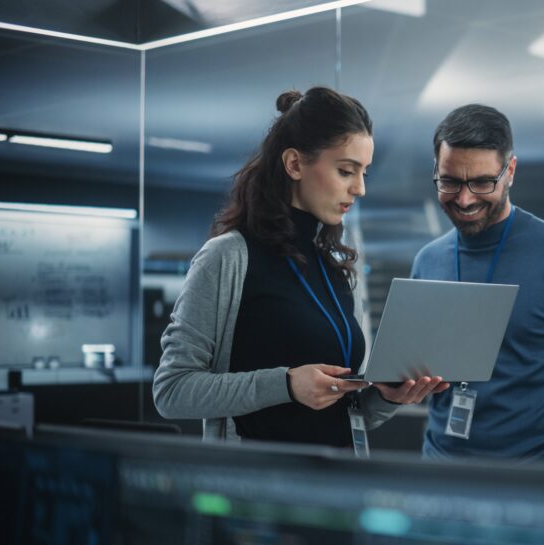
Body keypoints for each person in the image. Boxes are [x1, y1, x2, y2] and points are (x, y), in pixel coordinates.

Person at [153, 86, 446, 445]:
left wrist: (386, 397)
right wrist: (287, 384)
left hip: (337, 487)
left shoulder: (332, 267)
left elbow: (345, 416)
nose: (359, 189)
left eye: (364, 173)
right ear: (294, 164)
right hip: (259, 490)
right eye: (346, 171)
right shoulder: (227, 257)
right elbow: (171, 391)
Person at [411, 104, 544, 466]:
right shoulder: (428, 261)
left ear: (510, 172)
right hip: (441, 469)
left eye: (481, 182)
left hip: (531, 476)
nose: (464, 199)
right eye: (450, 182)